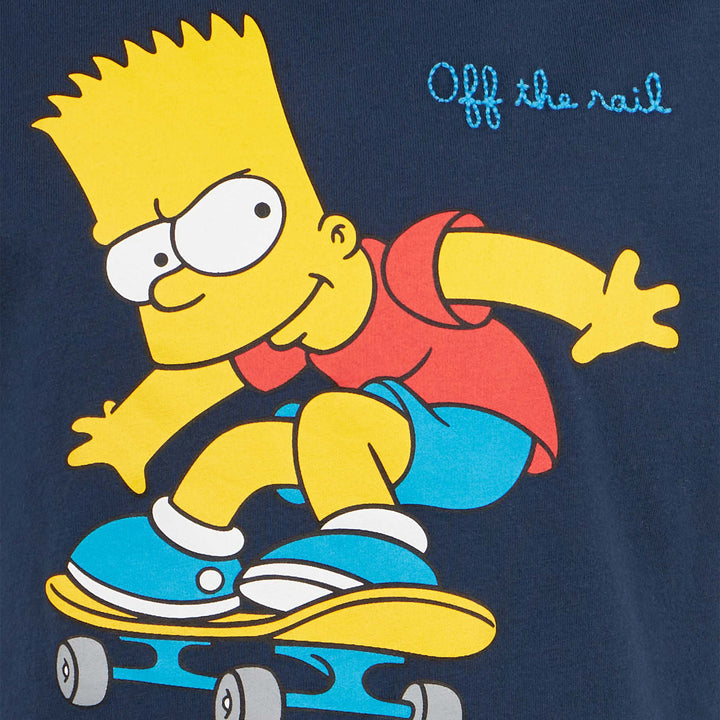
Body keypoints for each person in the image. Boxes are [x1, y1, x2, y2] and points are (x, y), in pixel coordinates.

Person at [34, 14, 679, 619]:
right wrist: (135, 434)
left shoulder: (408, 272)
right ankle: (182, 556)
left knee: (330, 419)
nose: (177, 286)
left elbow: (495, 267)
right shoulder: (279, 329)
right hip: (377, 434)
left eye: (222, 231)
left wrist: (598, 303)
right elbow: (207, 378)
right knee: (243, 448)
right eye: (147, 264)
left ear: (337, 236)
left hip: (485, 434)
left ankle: (376, 554)